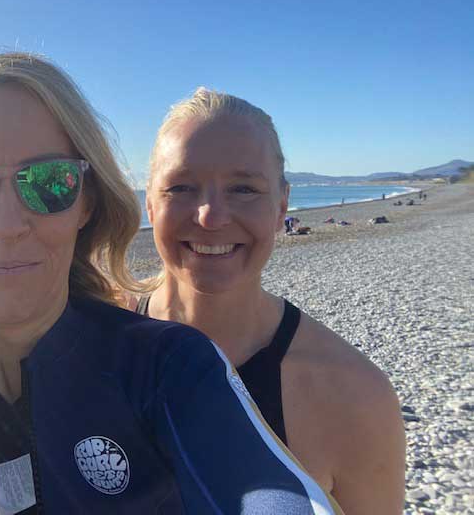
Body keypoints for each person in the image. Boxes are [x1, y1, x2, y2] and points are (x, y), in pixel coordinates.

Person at [0, 54, 343, 514]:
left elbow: (265, 492)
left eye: (48, 181)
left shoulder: (167, 368)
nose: (7, 224)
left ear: (86, 202)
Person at [136, 88, 405, 514]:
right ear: (150, 203)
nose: (210, 216)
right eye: (181, 187)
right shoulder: (87, 339)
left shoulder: (355, 397)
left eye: (243, 189)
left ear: (282, 206)